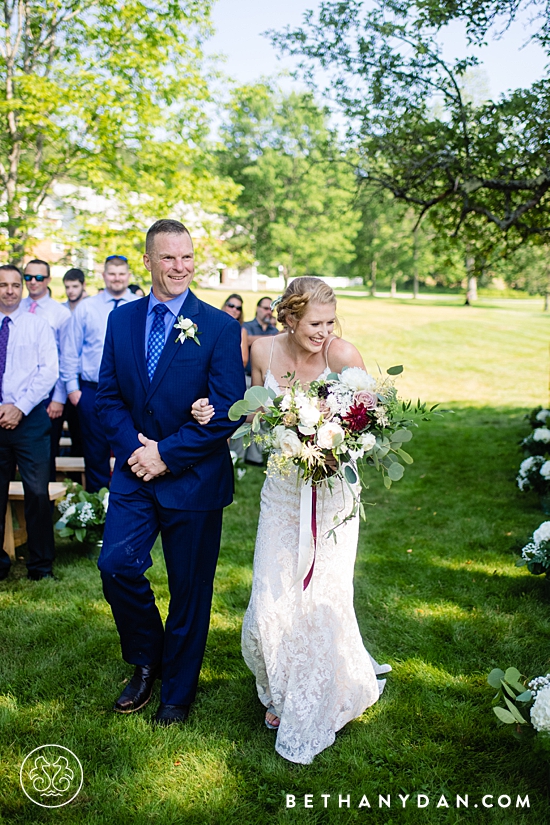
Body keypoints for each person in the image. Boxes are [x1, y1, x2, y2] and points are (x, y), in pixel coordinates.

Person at [192, 276, 390, 763]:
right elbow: (252, 415)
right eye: (314, 324)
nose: (324, 332)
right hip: (282, 490)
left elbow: (372, 418)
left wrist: (333, 439)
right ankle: (280, 687)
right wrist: (209, 411)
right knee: (271, 593)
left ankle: (317, 694)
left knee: (322, 596)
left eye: (330, 322)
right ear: (289, 319)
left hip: (332, 492)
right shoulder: (261, 351)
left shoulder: (343, 356)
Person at [95, 219, 245, 726]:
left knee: (189, 590)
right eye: (168, 258)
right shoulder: (122, 320)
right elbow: (107, 396)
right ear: (148, 261)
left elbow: (228, 410)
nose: (179, 267)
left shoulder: (220, 327)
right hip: (135, 474)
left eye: (186, 258)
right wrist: (137, 450)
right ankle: (147, 657)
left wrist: (168, 454)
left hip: (194, 479)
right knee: (116, 565)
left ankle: (176, 694)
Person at [0, 265, 58, 581]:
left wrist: (18, 408)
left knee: (36, 494)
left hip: (30, 419)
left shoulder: (38, 326)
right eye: (2, 285)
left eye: (14, 284)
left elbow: (48, 371)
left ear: (22, 287)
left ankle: (41, 566)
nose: (9, 290)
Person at [61, 255, 139, 491]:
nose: (117, 278)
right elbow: (70, 349)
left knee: (130, 447)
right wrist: (73, 390)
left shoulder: (140, 304)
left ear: (128, 276)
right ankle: (96, 507)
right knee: (95, 452)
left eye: (121, 273)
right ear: (104, 276)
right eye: (112, 273)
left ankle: (126, 502)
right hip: (91, 391)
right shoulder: (87, 307)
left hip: (129, 392)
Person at [22, 259, 72, 480]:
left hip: (49, 394)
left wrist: (59, 397)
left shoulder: (60, 313)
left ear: (49, 280)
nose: (33, 282)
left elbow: (66, 356)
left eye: (39, 277)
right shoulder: (15, 307)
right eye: (28, 277)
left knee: (44, 454)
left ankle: (46, 510)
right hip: (18, 390)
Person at [222, 294, 248, 367]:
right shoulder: (214, 325)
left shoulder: (242, 331)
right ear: (224, 306)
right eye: (231, 306)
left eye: (238, 308)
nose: (234, 310)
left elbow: (244, 360)